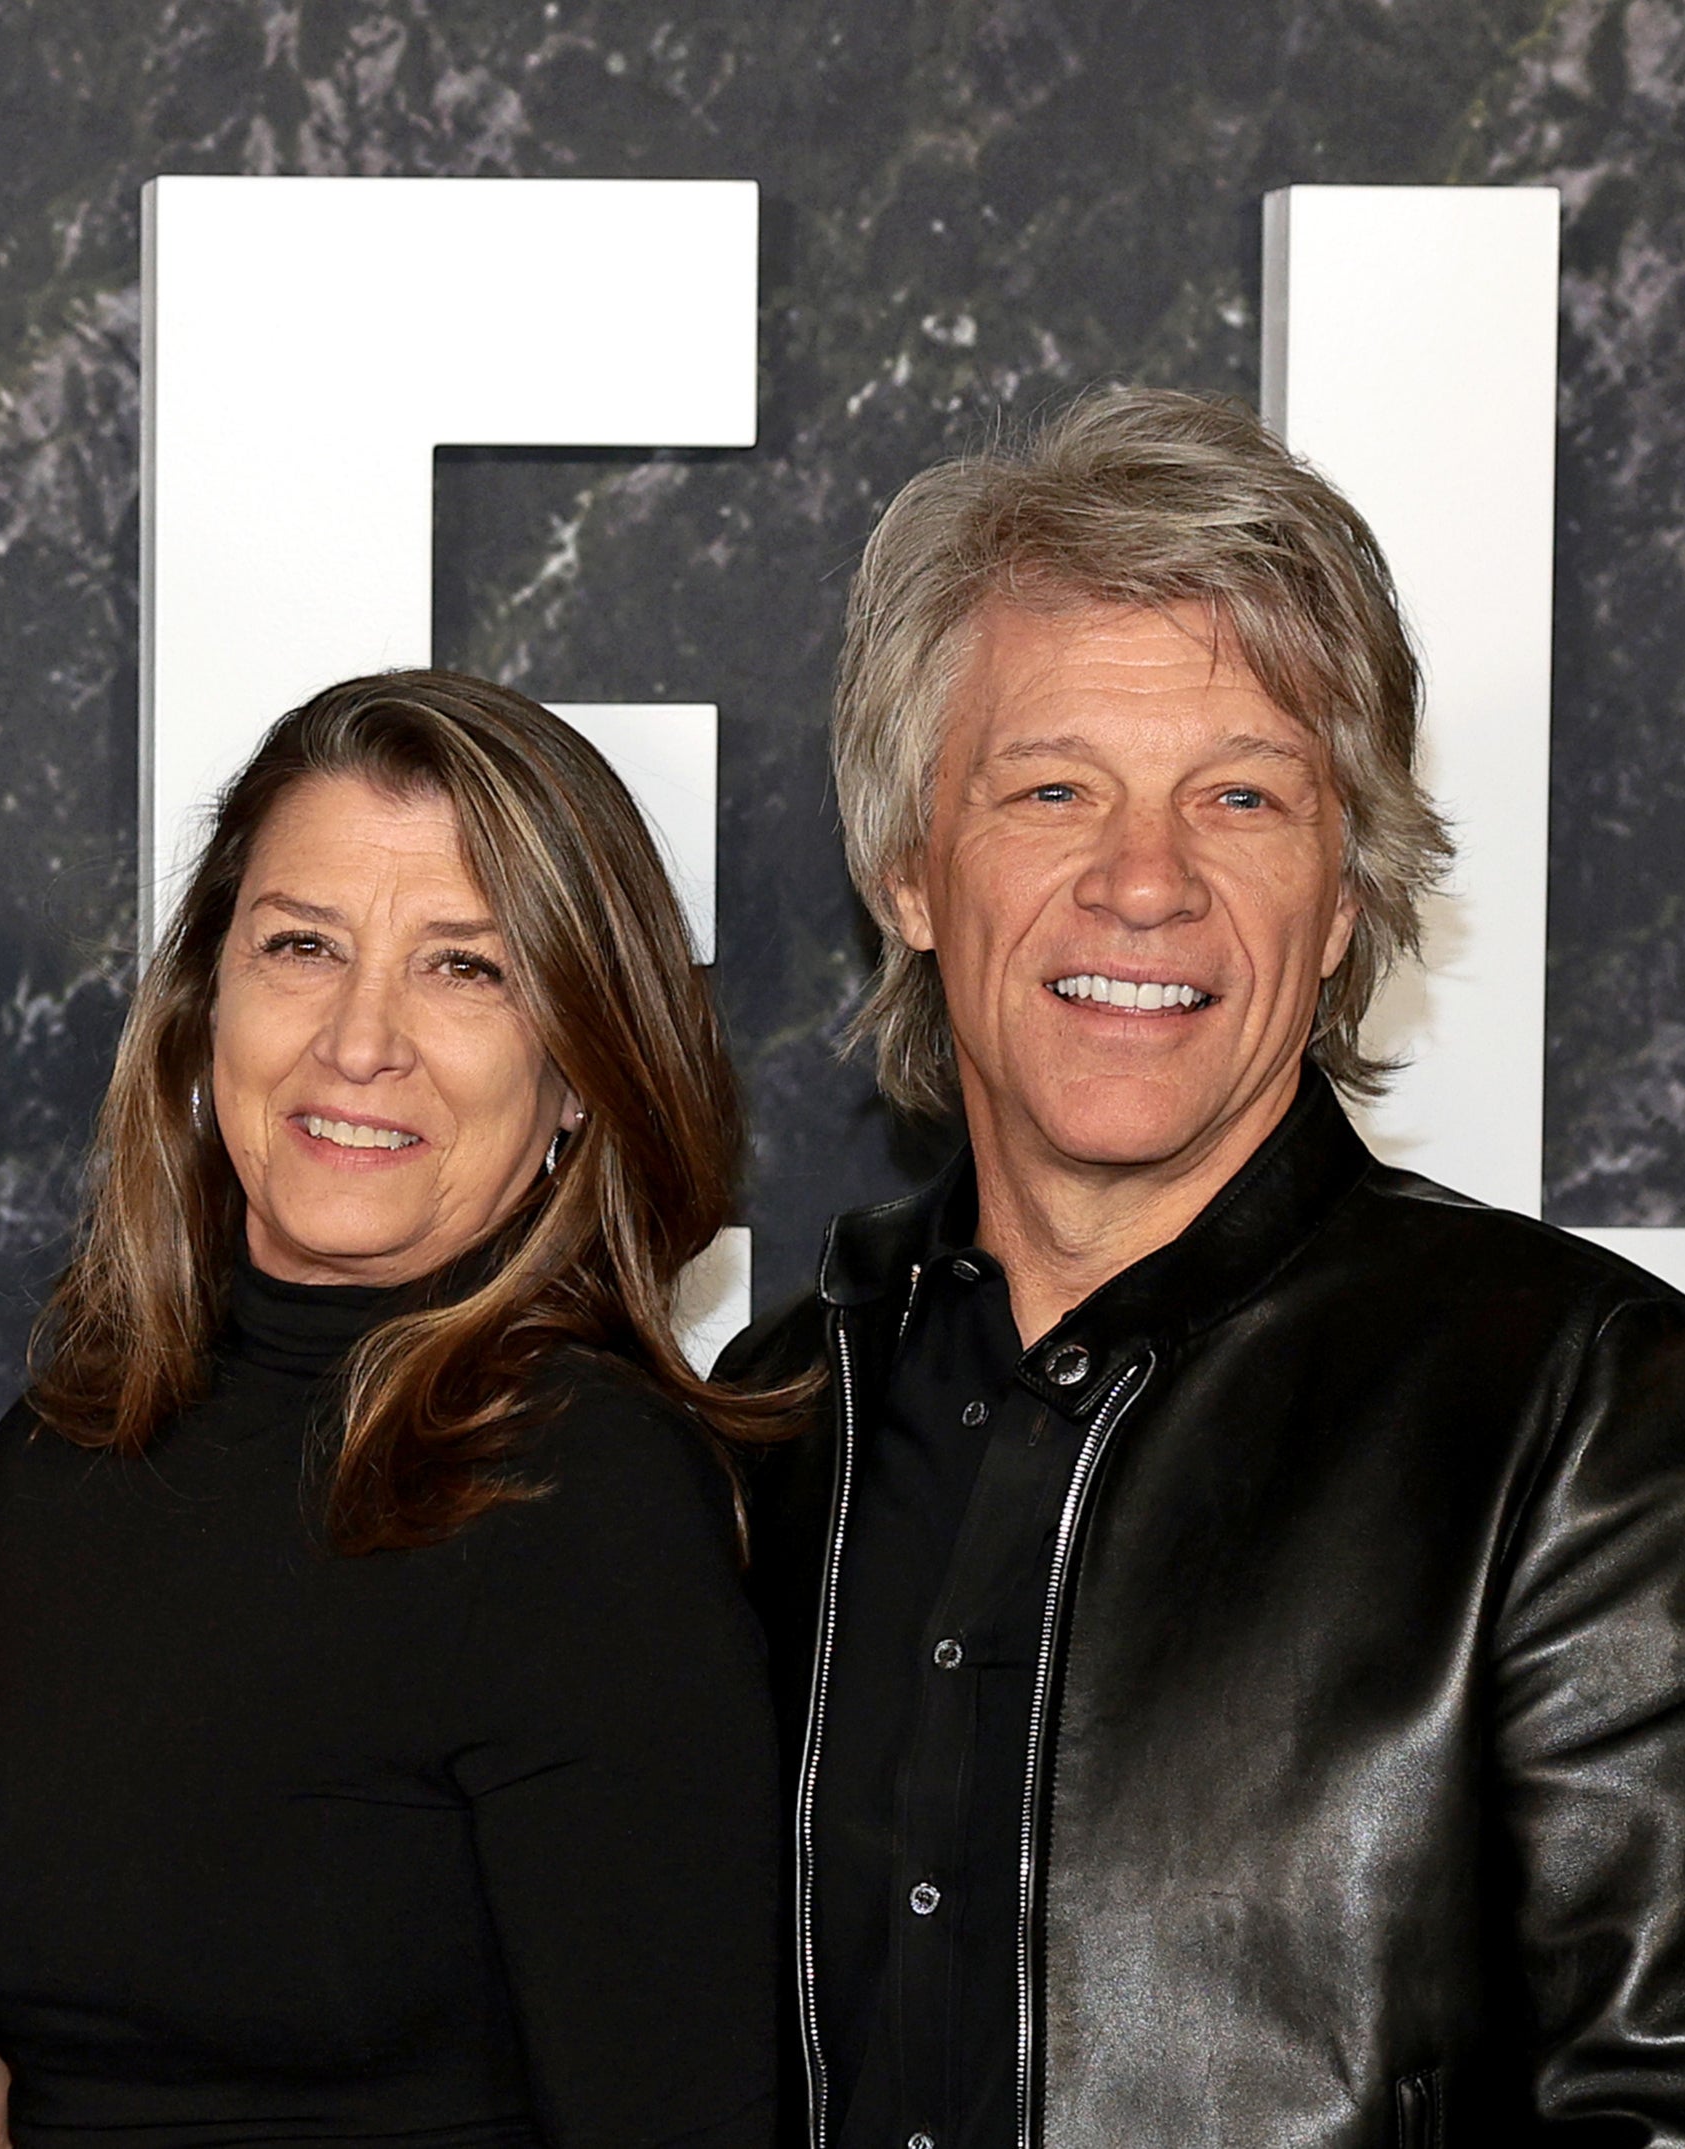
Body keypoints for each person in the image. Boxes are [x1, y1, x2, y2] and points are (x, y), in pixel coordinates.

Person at [720, 386, 1685, 2148]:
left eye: (1240, 795)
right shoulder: (773, 1421)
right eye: (1051, 786)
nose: (1142, 882)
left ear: (1339, 901)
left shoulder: (1581, 1406)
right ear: (906, 867)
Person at [0, 669, 788, 2147]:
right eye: (300, 947)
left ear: (580, 1070)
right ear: (208, 1001)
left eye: (464, 967)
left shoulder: (578, 1494)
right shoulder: (57, 1462)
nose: (358, 1039)